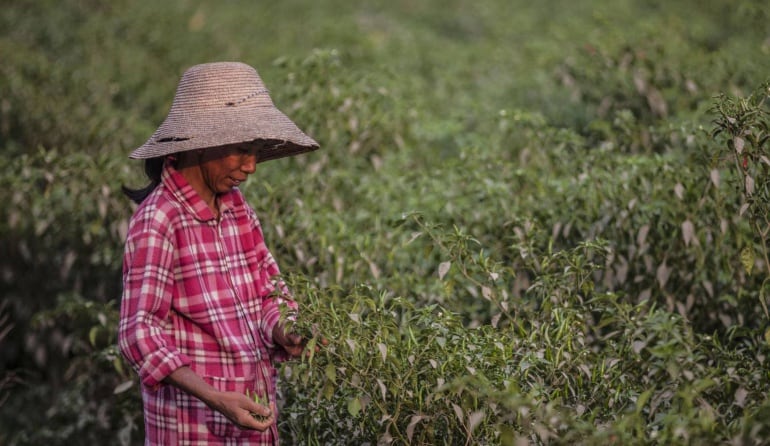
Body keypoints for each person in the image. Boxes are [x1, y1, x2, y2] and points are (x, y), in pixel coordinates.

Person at [118, 61, 319, 445]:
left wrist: (286, 329)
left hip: (252, 422)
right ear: (201, 143)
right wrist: (214, 398)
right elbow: (138, 333)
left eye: (256, 152)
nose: (251, 167)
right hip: (194, 429)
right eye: (243, 151)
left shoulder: (238, 209)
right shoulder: (160, 220)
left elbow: (267, 293)